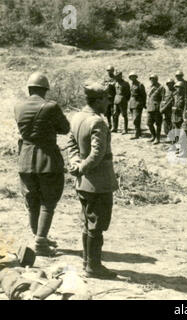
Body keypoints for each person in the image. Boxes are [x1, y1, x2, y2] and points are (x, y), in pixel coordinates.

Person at [14, 72, 70, 256]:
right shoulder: (51, 106)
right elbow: (65, 128)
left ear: (29, 88)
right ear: (45, 89)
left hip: (25, 158)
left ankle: (39, 236)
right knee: (48, 201)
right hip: (47, 159)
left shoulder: (18, 106)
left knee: (32, 200)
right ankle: (40, 241)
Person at [66, 82, 118, 279]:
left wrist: (75, 162)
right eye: (106, 99)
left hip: (83, 182)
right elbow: (98, 153)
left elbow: (70, 143)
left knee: (87, 222)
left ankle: (88, 262)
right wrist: (82, 167)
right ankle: (93, 267)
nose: (108, 102)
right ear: (98, 101)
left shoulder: (78, 117)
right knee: (97, 224)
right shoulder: (97, 121)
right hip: (98, 182)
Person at [146, 74, 165, 144]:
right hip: (150, 108)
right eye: (151, 79)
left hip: (157, 108)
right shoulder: (149, 87)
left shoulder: (161, 87)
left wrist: (161, 108)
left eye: (153, 79)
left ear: (156, 79)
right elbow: (148, 98)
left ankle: (158, 138)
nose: (152, 80)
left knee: (158, 124)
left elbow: (163, 99)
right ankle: (153, 136)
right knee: (149, 123)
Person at [128, 71, 146, 140]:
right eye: (131, 77)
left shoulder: (140, 85)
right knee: (134, 118)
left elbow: (144, 95)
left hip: (138, 103)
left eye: (133, 76)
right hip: (132, 103)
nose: (132, 78)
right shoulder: (131, 84)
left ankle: (136, 133)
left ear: (136, 77)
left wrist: (143, 103)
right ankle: (138, 131)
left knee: (136, 119)